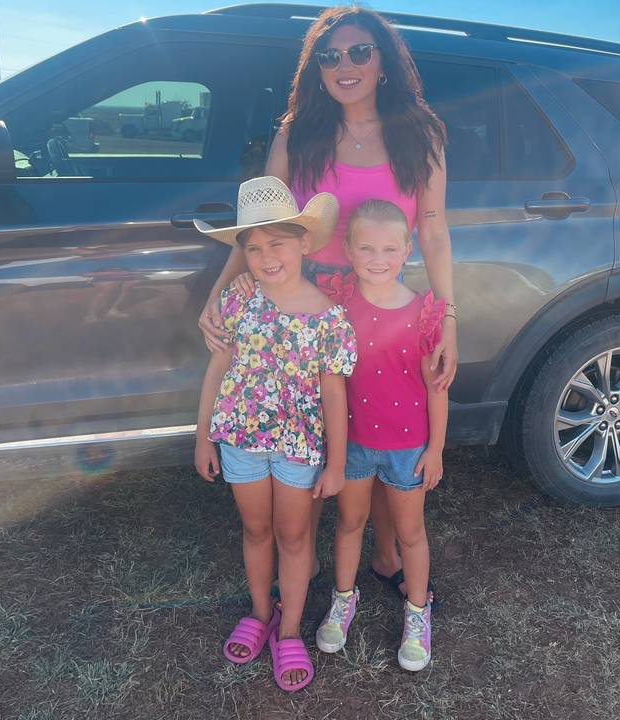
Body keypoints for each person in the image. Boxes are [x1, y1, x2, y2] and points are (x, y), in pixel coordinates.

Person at [198, 6, 458, 605]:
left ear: (383, 62)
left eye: (360, 52)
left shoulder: (420, 133)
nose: (345, 65)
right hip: (311, 300)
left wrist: (447, 316)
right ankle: (306, 555)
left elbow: (435, 229)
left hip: (384, 302)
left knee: (383, 423)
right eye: (329, 55)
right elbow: (263, 226)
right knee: (319, 426)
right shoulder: (298, 134)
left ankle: (387, 552)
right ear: (315, 67)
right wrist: (218, 294)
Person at [193, 176, 357, 692]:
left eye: (278, 244)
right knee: (256, 530)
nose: (266, 257)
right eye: (254, 248)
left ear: (304, 243)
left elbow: (334, 394)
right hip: (240, 440)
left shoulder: (330, 317)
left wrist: (336, 463)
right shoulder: (238, 300)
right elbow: (218, 369)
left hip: (298, 447)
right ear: (243, 255)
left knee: (294, 535)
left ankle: (289, 630)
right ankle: (262, 613)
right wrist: (203, 437)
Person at [315, 199, 448, 672]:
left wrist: (436, 449)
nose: (378, 258)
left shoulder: (422, 313)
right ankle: (343, 599)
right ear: (349, 250)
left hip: (408, 447)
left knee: (410, 533)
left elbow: (436, 388)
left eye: (390, 248)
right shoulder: (339, 302)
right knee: (349, 522)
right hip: (352, 442)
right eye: (367, 248)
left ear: (407, 249)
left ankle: (417, 612)